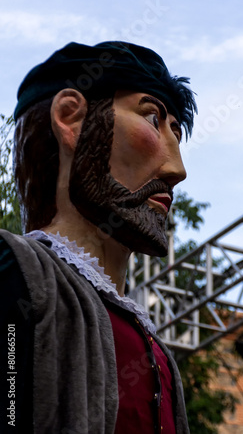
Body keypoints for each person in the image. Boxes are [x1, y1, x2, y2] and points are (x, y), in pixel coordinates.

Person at [0, 41, 197, 433]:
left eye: (176, 132)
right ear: (70, 119)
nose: (177, 170)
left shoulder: (157, 352)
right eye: (152, 119)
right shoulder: (14, 274)